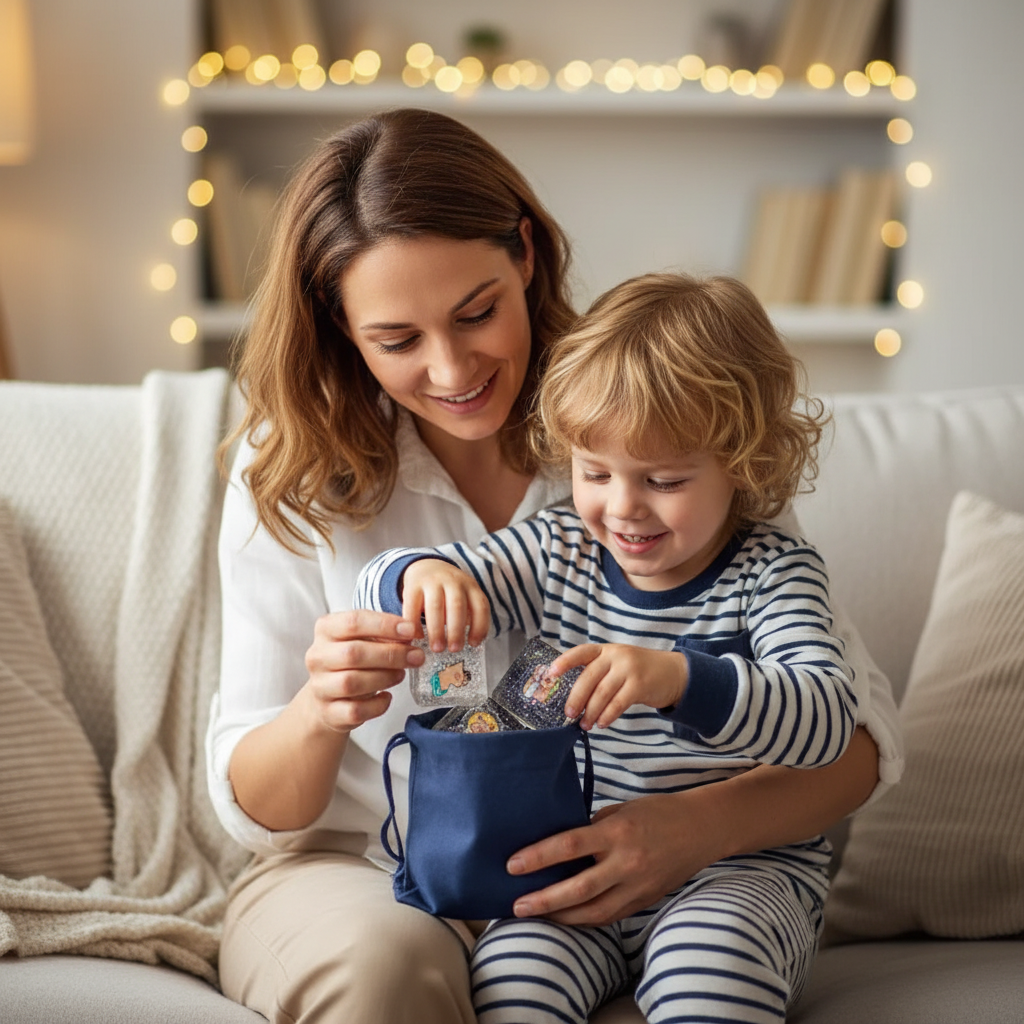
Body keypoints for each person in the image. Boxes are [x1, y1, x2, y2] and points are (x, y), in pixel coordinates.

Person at [207, 108, 903, 1024]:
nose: (453, 368)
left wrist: (690, 827)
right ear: (340, 326)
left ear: (526, 255)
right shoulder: (288, 470)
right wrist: (323, 705)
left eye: (476, 312)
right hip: (368, 867)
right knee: (387, 974)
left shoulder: (653, 413)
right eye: (397, 340)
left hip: (632, 867)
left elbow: (855, 740)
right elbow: (259, 809)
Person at [356, 271, 859, 1022]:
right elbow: (386, 583)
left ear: (744, 463)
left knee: (712, 973)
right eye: (595, 472)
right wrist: (420, 575)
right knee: (510, 980)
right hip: (573, 867)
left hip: (737, 874)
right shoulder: (560, 545)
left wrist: (678, 679)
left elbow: (826, 720)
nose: (622, 508)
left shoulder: (773, 574)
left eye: (663, 478)